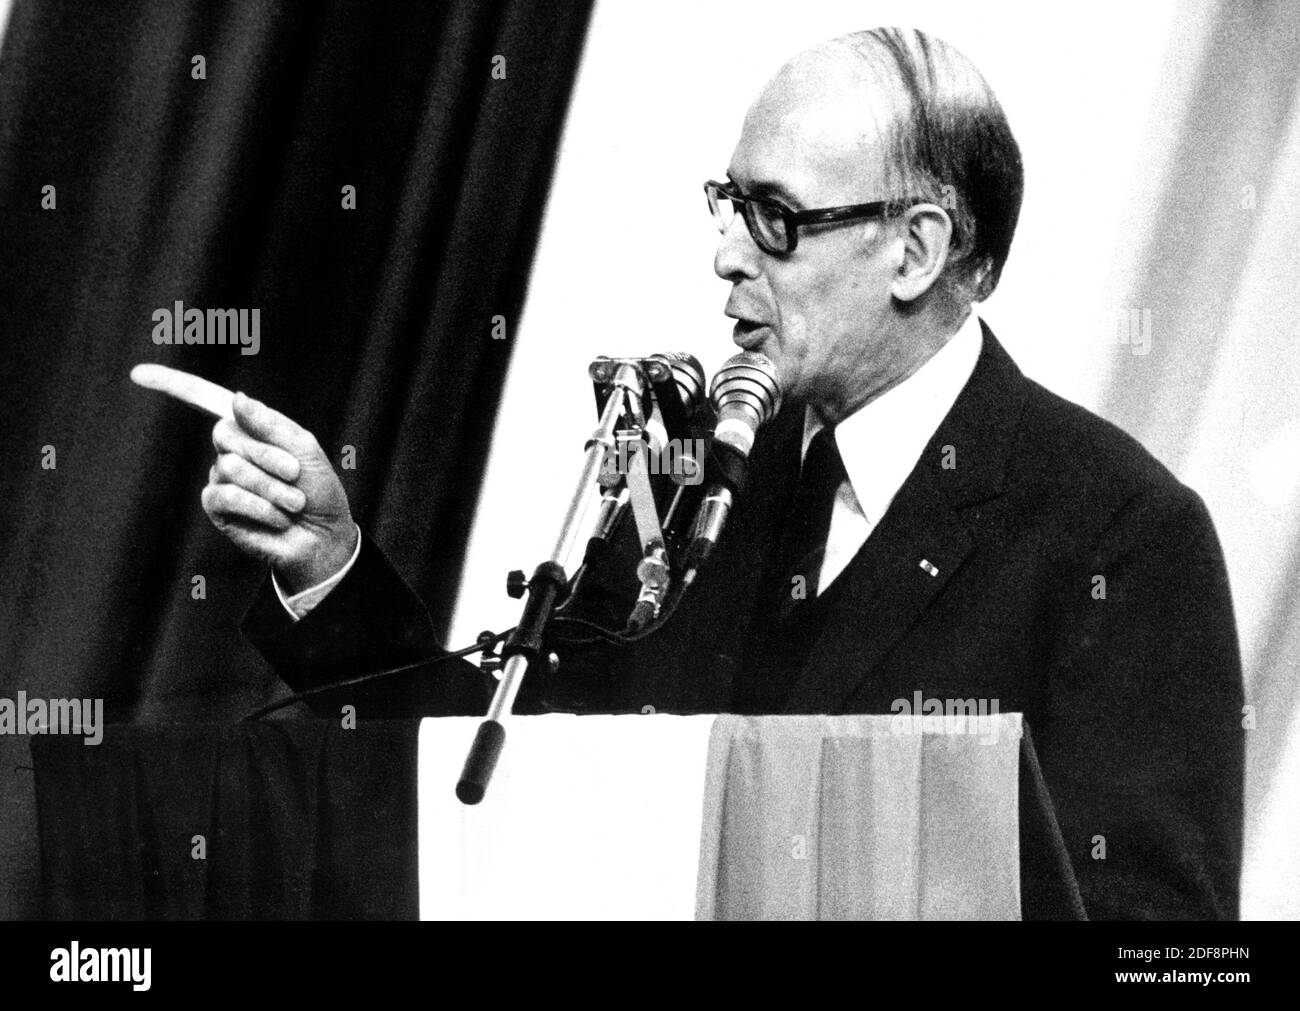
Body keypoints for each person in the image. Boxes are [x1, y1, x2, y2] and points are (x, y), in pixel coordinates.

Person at [202, 28, 1244, 920]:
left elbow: (1162, 956)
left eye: (776, 220)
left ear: (917, 252)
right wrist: (331, 569)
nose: (727, 257)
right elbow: (520, 777)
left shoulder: (1119, 537)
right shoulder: (697, 469)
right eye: (727, 205)